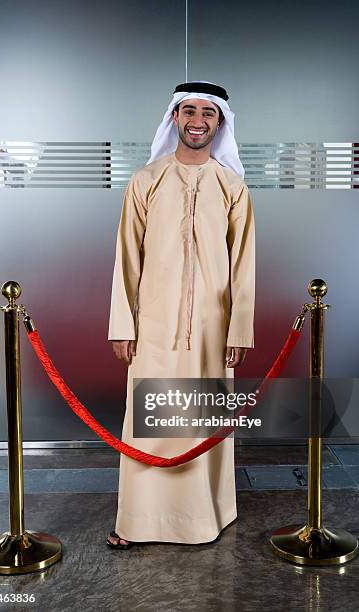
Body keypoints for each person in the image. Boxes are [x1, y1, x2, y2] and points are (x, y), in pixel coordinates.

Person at [106, 81, 255, 549]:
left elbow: (243, 267)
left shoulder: (232, 187)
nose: (197, 120)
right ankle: (139, 522)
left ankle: (204, 518)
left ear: (220, 123)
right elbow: (126, 259)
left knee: (203, 421)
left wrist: (239, 331)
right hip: (153, 328)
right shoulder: (146, 181)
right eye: (188, 111)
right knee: (150, 424)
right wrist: (121, 325)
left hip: (213, 331)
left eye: (208, 114)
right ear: (175, 118)